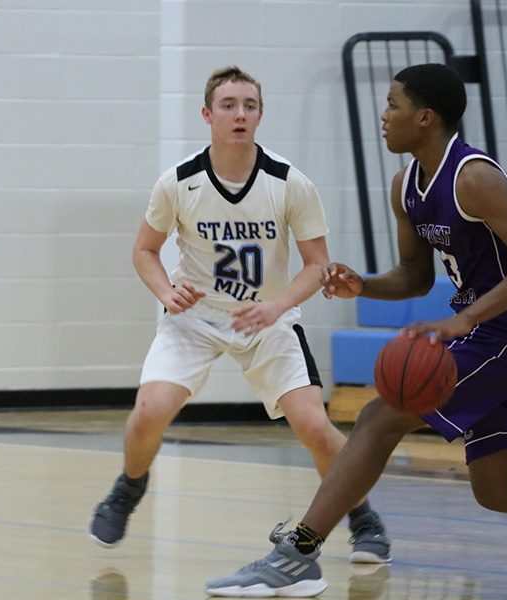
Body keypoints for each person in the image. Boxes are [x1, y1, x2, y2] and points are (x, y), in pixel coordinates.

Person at [204, 63, 507, 597]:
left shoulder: (474, 177)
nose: (384, 114)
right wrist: (362, 286)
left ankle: (297, 552)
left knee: (376, 417)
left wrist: (464, 318)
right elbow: (415, 277)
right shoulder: (406, 186)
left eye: (394, 104)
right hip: (487, 331)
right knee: (499, 489)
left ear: (425, 117)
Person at [89, 66, 391, 565]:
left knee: (315, 427)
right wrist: (166, 291)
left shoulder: (290, 183)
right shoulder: (178, 182)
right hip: (196, 318)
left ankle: (362, 516)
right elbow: (144, 250)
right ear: (208, 115)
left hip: (268, 318)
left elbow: (317, 265)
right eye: (229, 105)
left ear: (260, 115)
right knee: (148, 412)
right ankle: (129, 486)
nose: (240, 114)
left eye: (249, 105)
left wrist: (275, 305)